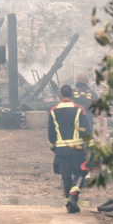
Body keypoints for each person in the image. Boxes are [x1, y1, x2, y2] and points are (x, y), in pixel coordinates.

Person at [49, 84, 90, 213]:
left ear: (60, 94)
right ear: (72, 94)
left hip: (61, 150)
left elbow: (51, 133)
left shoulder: (53, 111)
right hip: (77, 149)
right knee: (81, 171)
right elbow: (85, 130)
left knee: (66, 176)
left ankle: (69, 205)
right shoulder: (79, 109)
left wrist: (53, 147)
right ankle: (73, 194)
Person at [72, 72, 100, 141]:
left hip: (73, 125)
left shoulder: (70, 92)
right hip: (88, 124)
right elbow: (98, 112)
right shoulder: (93, 94)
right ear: (88, 81)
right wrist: (102, 125)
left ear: (77, 80)